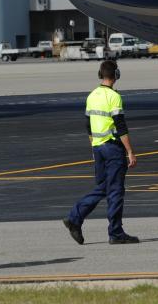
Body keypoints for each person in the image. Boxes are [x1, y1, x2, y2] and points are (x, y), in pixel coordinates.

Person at [63, 60, 139, 245]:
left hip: (98, 148)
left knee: (104, 187)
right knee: (115, 190)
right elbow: (121, 127)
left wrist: (94, 147)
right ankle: (115, 232)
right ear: (116, 74)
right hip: (112, 148)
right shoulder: (114, 97)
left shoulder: (92, 95)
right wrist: (130, 151)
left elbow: (88, 126)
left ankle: (75, 217)